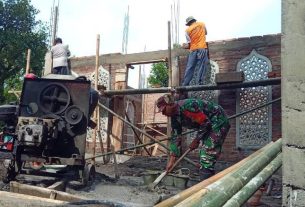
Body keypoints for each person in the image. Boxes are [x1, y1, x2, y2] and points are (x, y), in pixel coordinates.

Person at [156, 94, 230, 180]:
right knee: (205, 154)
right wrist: (172, 160)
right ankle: (209, 179)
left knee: (207, 153)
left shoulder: (188, 106)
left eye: (164, 110)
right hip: (207, 125)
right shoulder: (174, 116)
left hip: (217, 121)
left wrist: (196, 140)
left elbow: (205, 123)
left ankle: (205, 183)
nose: (163, 113)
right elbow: (176, 136)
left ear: (170, 104)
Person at [181, 16, 209, 86]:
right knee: (202, 65)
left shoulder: (187, 31)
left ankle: (185, 83)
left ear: (188, 23)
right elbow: (206, 33)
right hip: (202, 47)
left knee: (190, 67)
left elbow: (189, 43)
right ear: (194, 20)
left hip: (193, 49)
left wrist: (184, 46)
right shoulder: (202, 24)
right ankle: (199, 82)